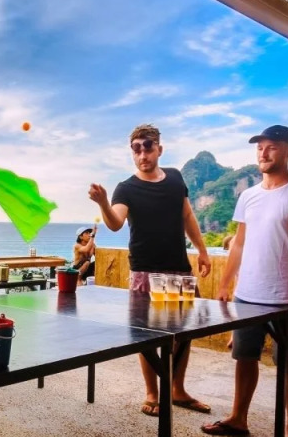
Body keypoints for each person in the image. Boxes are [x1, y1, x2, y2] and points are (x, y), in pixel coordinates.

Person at [202, 124, 288, 437]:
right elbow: (239, 243)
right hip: (247, 296)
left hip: (286, 297)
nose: (263, 152)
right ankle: (238, 418)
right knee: (244, 358)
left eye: (272, 146)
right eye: (259, 147)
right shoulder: (248, 195)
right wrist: (225, 285)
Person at [89, 123, 212, 417]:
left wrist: (203, 250)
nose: (142, 154)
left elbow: (187, 215)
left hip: (178, 269)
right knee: (147, 336)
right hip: (145, 271)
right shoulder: (126, 188)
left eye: (147, 147)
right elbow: (116, 223)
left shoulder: (175, 178)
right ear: (132, 153)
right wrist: (104, 203)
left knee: (183, 335)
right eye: (136, 149)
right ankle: (152, 393)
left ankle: (177, 389)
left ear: (159, 149)